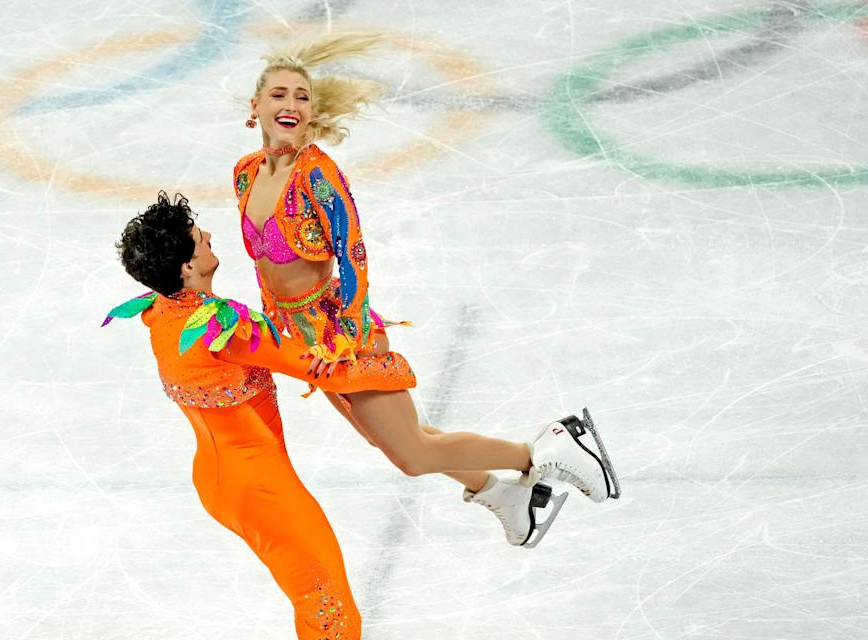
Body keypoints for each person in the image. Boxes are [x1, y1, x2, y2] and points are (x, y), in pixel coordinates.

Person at [233, 34, 622, 550]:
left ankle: (544, 450)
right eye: (279, 94)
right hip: (301, 337)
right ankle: (504, 497)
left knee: (412, 454)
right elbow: (264, 267)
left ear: (311, 112)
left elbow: (352, 257)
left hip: (339, 331)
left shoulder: (318, 175)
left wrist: (346, 338)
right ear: (255, 105)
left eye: (302, 97)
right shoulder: (244, 174)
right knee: (390, 437)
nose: (291, 105)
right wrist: (272, 326)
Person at [105, 192, 417, 639]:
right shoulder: (222, 328)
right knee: (328, 606)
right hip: (259, 488)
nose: (209, 235)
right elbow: (324, 372)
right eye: (198, 239)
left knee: (319, 601)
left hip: (222, 480)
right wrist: (394, 366)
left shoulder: (160, 310)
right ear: (186, 268)